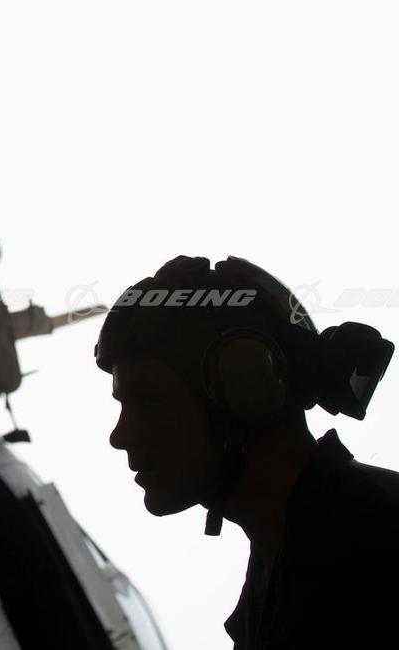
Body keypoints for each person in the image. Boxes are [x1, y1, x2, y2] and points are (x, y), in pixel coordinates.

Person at [94, 255, 399, 648]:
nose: (120, 436)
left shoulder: (369, 548)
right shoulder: (288, 565)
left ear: (245, 392)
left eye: (148, 401)